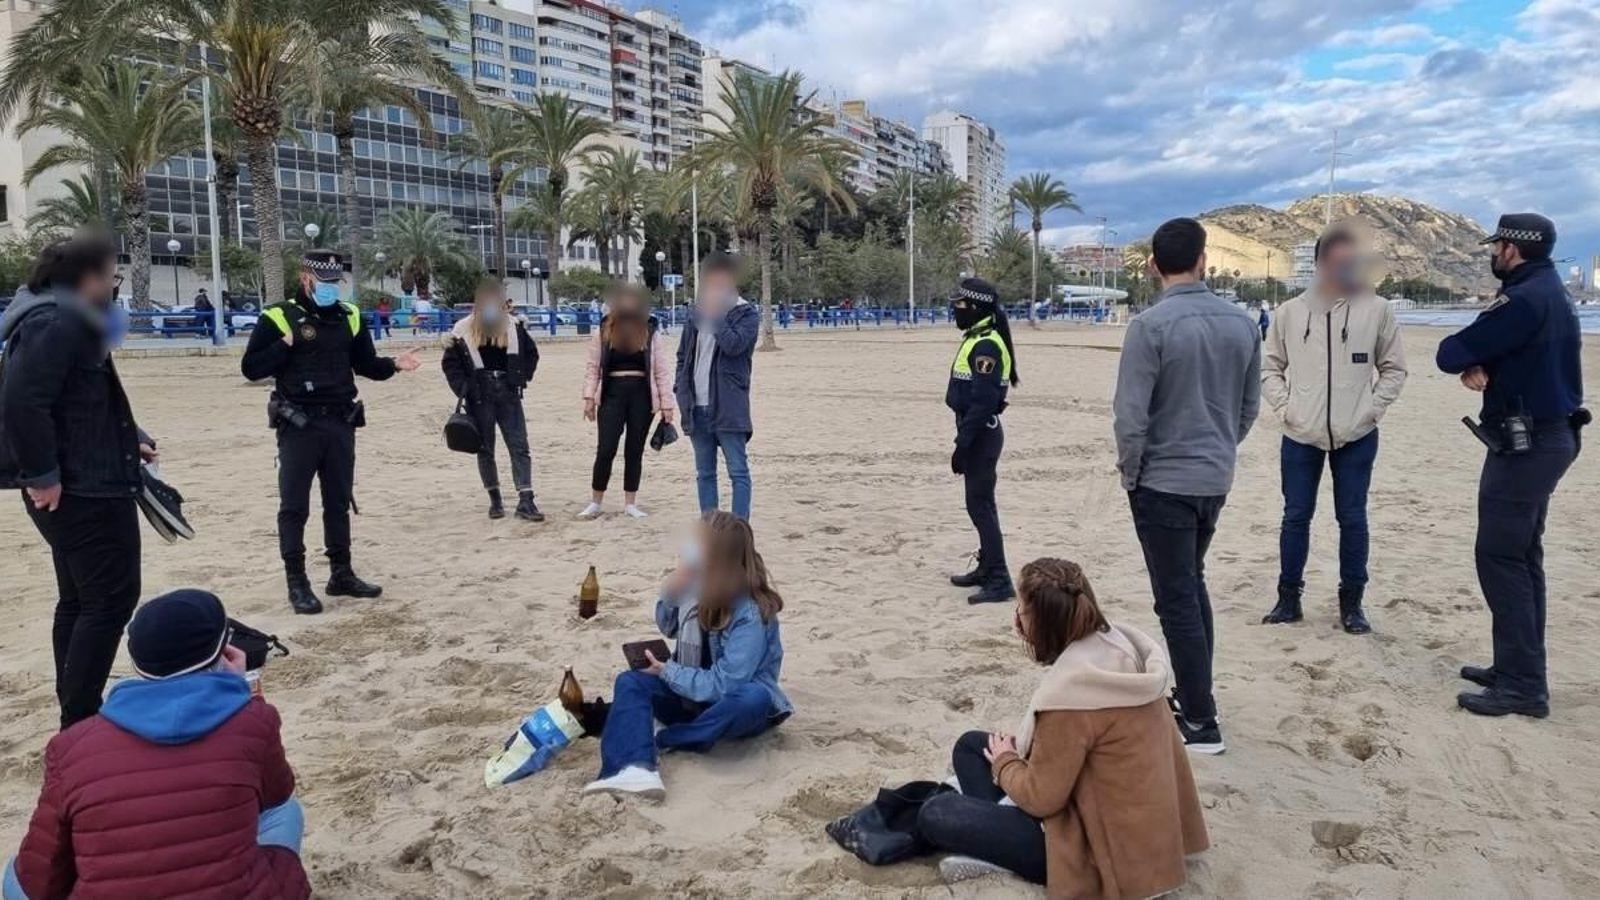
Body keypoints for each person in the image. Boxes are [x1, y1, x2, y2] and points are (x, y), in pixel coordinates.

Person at [914, 559, 1208, 893]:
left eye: (1022, 611)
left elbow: (1042, 800)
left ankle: (1001, 853)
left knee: (936, 813)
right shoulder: (1121, 649)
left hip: (1099, 852)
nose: (1016, 619)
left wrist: (1006, 762)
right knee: (970, 746)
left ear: (1043, 623)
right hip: (1141, 830)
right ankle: (997, 830)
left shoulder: (1071, 699)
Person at [3, 590, 310, 900]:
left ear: (138, 664)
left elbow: (38, 877)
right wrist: (243, 689)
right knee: (286, 811)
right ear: (224, 652)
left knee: (14, 875)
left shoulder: (71, 746)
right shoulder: (254, 721)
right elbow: (276, 793)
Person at [1112, 217, 1260, 754]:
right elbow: (1248, 409)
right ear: (1203, 261)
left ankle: (1201, 719)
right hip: (1213, 477)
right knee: (1189, 587)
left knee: (1176, 598)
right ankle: (1195, 696)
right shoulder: (1242, 324)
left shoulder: (1149, 327)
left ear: (1153, 265)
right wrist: (1220, 447)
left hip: (1163, 481)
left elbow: (1130, 417)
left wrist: (1132, 473)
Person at [0, 233, 156, 729]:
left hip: (88, 474)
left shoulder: (60, 318)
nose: (115, 286)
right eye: (112, 276)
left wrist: (134, 437)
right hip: (83, 487)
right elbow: (23, 402)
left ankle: (75, 701)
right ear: (87, 279)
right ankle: (80, 713)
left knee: (81, 597)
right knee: (110, 598)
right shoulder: (56, 322)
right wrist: (44, 476)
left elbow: (78, 398)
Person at [1436, 213, 1586, 718]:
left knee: (1501, 557)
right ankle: (1517, 667)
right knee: (1522, 557)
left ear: (1513, 248)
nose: (1492, 253)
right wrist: (1487, 363)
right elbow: (1490, 353)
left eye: (1497, 245)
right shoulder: (1551, 290)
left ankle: (1522, 685)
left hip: (1528, 446)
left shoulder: (1522, 299)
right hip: (1549, 437)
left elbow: (1449, 351)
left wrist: (1474, 359)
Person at [240, 249, 421, 615]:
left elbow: (365, 364)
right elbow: (251, 368)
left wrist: (394, 365)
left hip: (340, 420)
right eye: (324, 283)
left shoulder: (349, 316)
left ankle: (341, 573)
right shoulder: (278, 316)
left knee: (338, 502)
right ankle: (298, 581)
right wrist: (287, 342)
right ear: (306, 279)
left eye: (336, 283)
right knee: (294, 505)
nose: (331, 290)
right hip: (299, 424)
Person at [1260, 226, 1408, 633]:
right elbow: (1270, 367)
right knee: (1295, 517)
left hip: (1357, 435)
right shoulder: (1290, 312)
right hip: (1300, 433)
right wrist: (1285, 407)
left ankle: (1352, 604)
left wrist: (1370, 411)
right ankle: (1288, 598)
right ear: (1321, 262)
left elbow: (1394, 369)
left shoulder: (1376, 310)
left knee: (1353, 518)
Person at [583, 511, 791, 799]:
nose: (687, 548)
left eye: (697, 543)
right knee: (630, 681)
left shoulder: (750, 611)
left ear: (716, 556)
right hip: (689, 696)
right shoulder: (696, 587)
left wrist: (668, 671)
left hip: (730, 706)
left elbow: (726, 685)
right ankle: (632, 768)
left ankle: (668, 737)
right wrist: (672, 592)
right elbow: (668, 626)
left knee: (754, 697)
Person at [945, 277, 1021, 604]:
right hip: (978, 432)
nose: (955, 310)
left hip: (981, 435)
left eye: (960, 305)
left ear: (975, 308)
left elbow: (983, 402)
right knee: (979, 506)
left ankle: (999, 578)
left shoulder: (986, 344)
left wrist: (963, 445)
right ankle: (987, 567)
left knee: (981, 508)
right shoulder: (978, 337)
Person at [442, 279, 542, 521]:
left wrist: (520, 377)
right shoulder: (463, 329)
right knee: (485, 448)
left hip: (508, 390)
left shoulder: (514, 326)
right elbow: (450, 364)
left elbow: (531, 354)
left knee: (519, 446)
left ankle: (526, 499)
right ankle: (495, 499)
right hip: (479, 392)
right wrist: (464, 389)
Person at [580, 282, 676, 519]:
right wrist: (589, 397)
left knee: (634, 450)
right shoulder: (603, 330)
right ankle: (596, 500)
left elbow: (661, 370)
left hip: (642, 396)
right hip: (612, 393)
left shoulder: (650, 330)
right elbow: (593, 368)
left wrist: (667, 404)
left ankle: (630, 502)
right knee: (606, 449)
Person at [674, 252, 759, 520]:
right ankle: (710, 529)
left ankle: (739, 528)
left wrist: (718, 316)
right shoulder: (695, 314)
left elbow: (734, 346)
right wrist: (681, 388)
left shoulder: (746, 314)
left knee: (738, 471)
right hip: (696, 406)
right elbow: (683, 355)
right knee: (705, 473)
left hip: (728, 405)